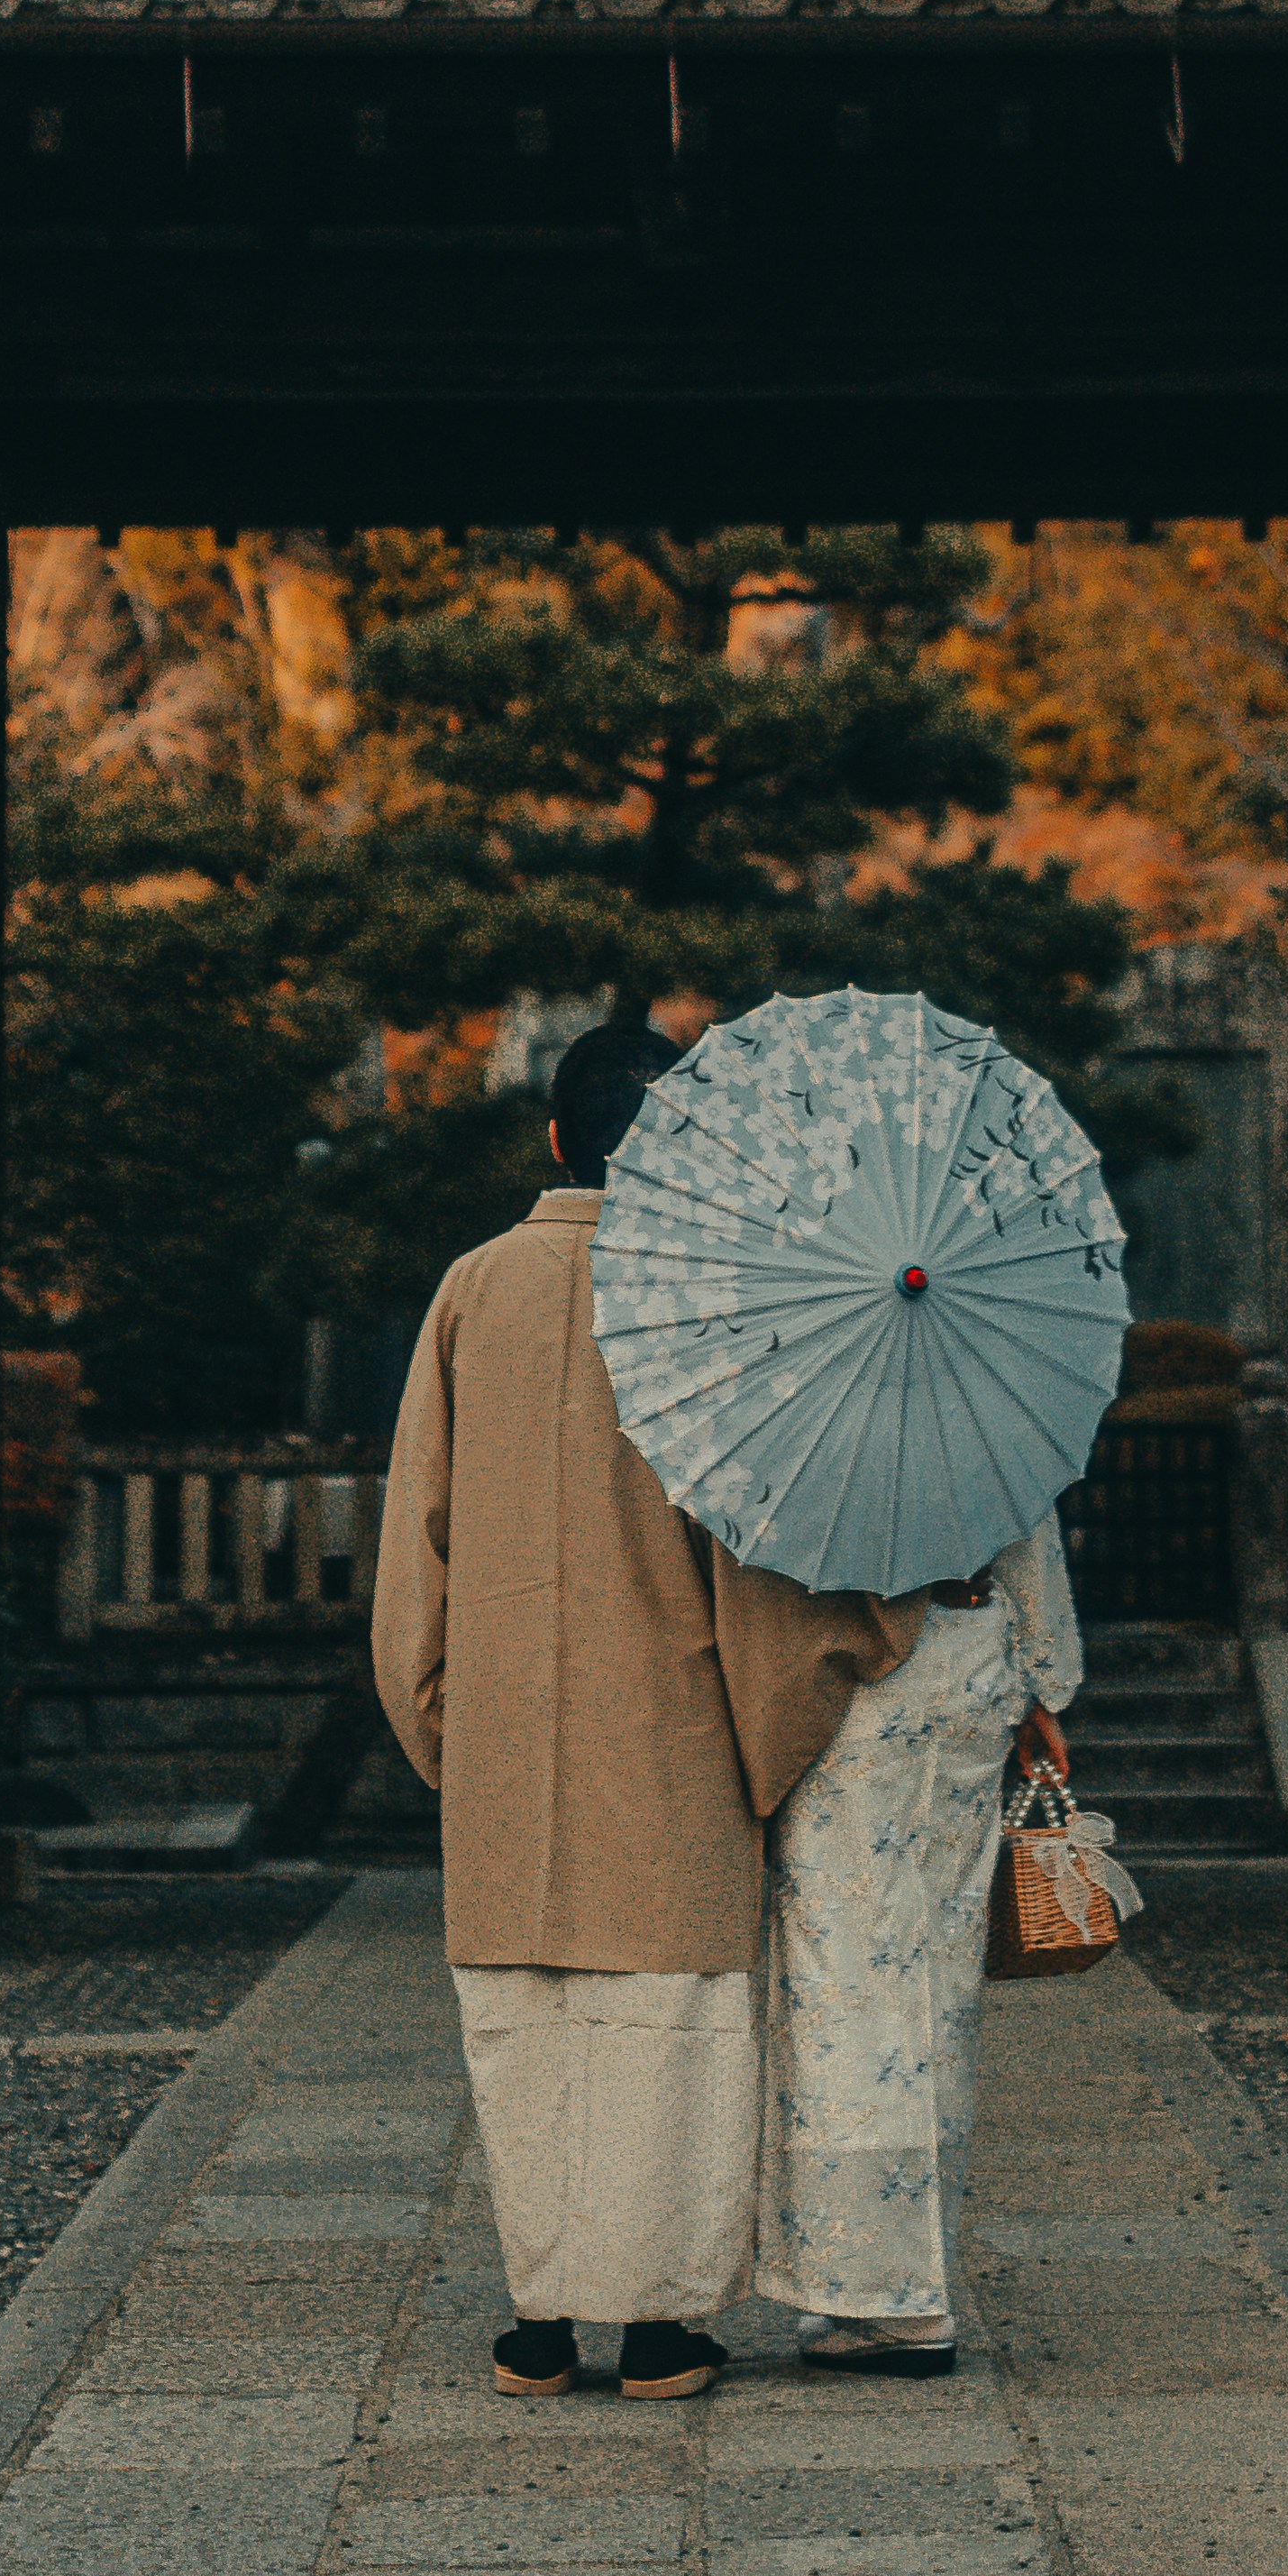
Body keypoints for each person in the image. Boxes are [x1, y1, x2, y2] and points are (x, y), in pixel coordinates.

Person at [372, 1012, 908, 2398]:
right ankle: (660, 2324)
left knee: (526, 2024)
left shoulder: (470, 1287)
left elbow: (414, 1529)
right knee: (670, 2033)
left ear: (555, 1139)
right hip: (663, 1731)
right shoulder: (707, 1297)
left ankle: (541, 2317)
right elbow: (756, 1553)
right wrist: (858, 1630)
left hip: (502, 1717)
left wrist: (441, 1716)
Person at [754, 1499, 1082, 2371]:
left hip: (866, 1675)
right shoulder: (979, 1393)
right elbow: (1031, 1541)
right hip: (976, 1659)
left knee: (844, 1980)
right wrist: (1045, 1685)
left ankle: (875, 2290)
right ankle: (917, 2275)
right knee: (941, 1972)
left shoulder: (816, 1406)